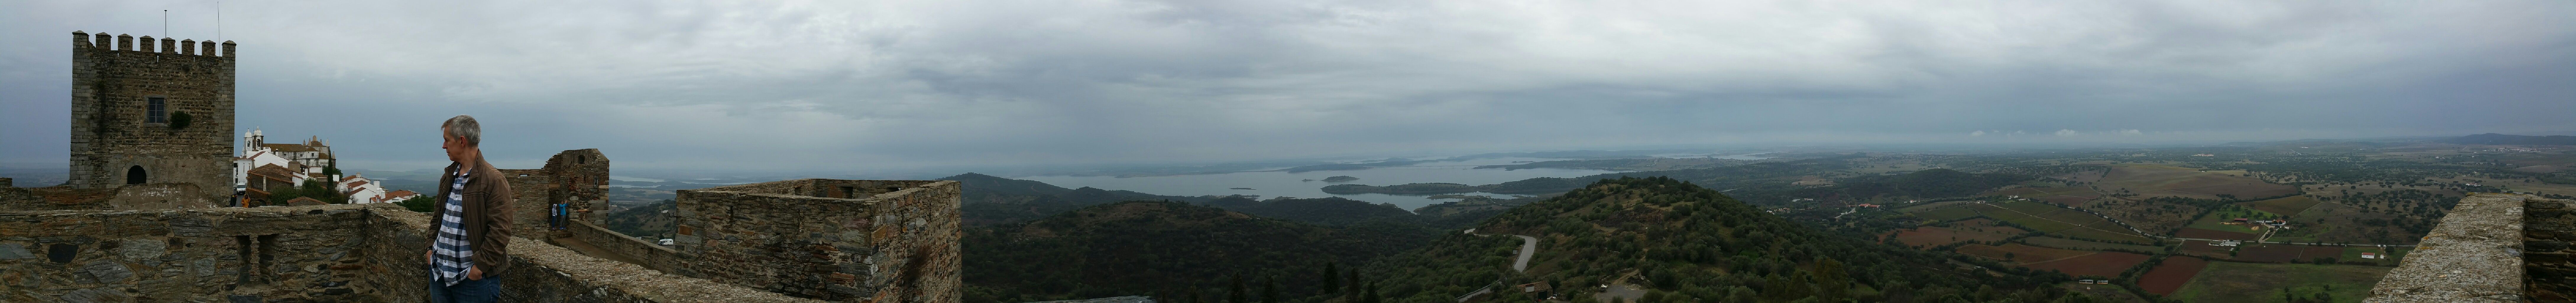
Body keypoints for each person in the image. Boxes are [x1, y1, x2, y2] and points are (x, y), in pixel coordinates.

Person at [425, 115, 512, 303]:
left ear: (462, 141)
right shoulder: (449, 177)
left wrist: (478, 268)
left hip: (472, 281)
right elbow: (438, 217)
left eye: (447, 140)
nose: (444, 146)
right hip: (440, 273)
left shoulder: (494, 181)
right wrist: (430, 248)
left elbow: (501, 231)